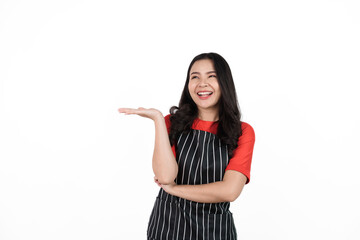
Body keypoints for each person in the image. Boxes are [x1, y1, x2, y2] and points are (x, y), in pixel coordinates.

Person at [118, 52, 255, 240]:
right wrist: (158, 119)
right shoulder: (171, 123)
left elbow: (230, 191)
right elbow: (165, 176)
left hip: (215, 231)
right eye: (195, 77)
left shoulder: (243, 132)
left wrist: (174, 190)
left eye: (211, 76)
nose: (202, 83)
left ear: (224, 83)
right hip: (168, 228)